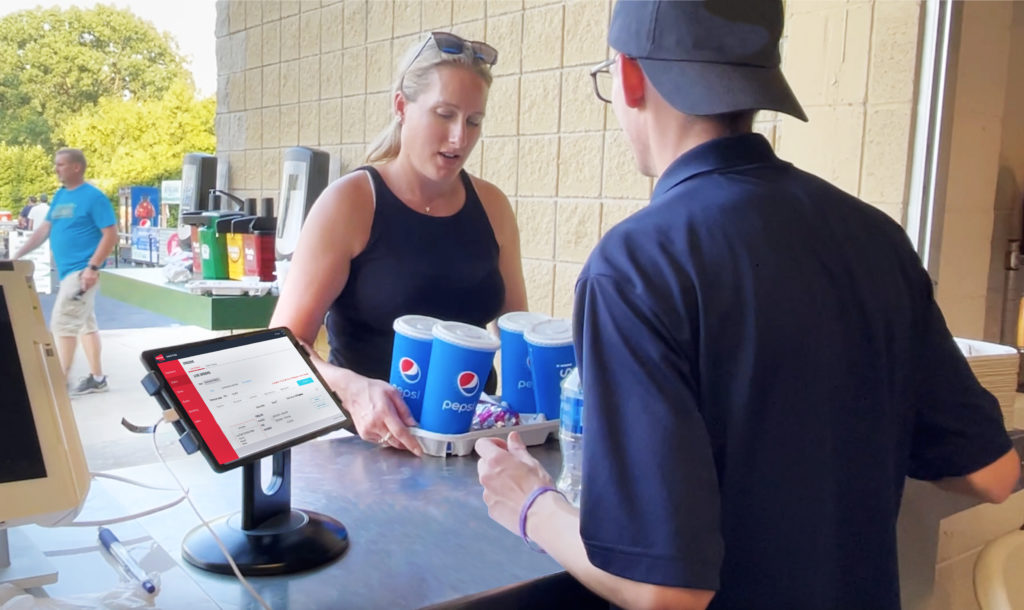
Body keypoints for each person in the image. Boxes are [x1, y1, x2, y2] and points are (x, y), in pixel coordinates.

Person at [476, 2, 1022, 609]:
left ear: (629, 77)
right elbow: (992, 474)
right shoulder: (876, 237)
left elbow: (666, 594)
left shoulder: (635, 266)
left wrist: (531, 505)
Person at [270, 31, 528, 455]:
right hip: (368, 452)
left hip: (474, 451)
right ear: (401, 107)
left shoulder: (493, 205)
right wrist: (348, 388)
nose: (459, 138)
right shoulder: (352, 202)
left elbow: (519, 333)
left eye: (474, 121)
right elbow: (280, 347)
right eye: (444, 114)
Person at [11, 148, 117, 394]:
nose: (56, 168)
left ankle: (59, 383)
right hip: (69, 271)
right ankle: (97, 378)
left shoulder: (93, 197)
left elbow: (110, 234)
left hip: (81, 273)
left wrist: (92, 267)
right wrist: (16, 255)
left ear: (76, 167)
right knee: (84, 325)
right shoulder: (60, 196)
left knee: (63, 324)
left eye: (61, 164)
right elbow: (44, 230)